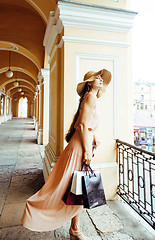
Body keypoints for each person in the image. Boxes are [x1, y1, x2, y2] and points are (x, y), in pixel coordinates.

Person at [21, 69, 112, 240]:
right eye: (96, 78)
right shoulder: (90, 97)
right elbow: (83, 126)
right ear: (89, 83)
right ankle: (52, 218)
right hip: (80, 148)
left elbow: (83, 125)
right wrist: (86, 150)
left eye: (101, 78)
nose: (100, 79)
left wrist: (94, 138)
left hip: (81, 144)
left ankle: (75, 229)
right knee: (70, 187)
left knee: (79, 189)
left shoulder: (89, 98)